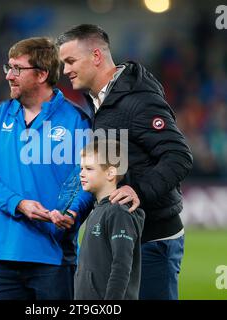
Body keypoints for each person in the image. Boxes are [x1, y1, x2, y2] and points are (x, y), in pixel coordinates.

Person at [57, 24, 193, 300]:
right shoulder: (102, 101)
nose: (65, 70)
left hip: (151, 241)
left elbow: (178, 155)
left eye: (70, 61)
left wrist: (138, 191)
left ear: (96, 56)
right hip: (123, 238)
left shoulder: (138, 100)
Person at [0, 37, 94, 300]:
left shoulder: (77, 120)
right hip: (4, 257)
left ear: (41, 74)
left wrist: (73, 212)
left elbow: (90, 180)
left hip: (55, 258)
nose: (9, 76)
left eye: (17, 69)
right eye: (8, 68)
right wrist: (19, 204)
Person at [74, 139, 144, 300]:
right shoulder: (98, 210)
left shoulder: (118, 212)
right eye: (81, 168)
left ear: (110, 173)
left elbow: (122, 266)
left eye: (89, 169)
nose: (81, 173)